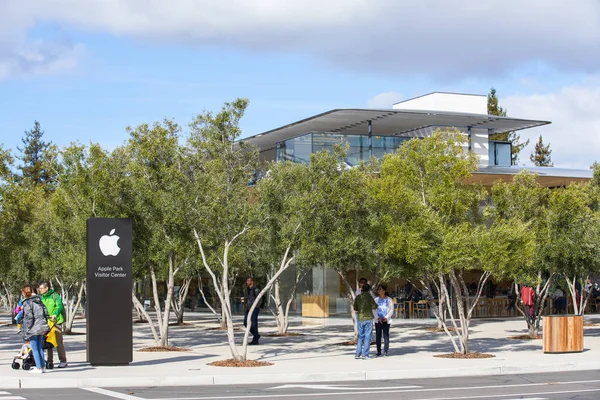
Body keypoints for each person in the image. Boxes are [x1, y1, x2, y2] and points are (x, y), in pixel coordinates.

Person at [38, 281, 68, 368]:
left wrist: (55, 314)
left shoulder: (55, 295)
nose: (40, 290)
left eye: (41, 288)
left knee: (58, 342)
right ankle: (49, 361)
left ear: (46, 288)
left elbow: (60, 306)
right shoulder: (41, 298)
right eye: (39, 289)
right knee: (48, 342)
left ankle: (63, 361)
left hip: (56, 322)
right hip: (46, 323)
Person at [21, 285, 49, 373]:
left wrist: (27, 329)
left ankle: (38, 367)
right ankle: (42, 367)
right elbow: (45, 312)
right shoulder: (39, 300)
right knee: (39, 347)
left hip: (34, 327)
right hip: (41, 326)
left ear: (25, 293)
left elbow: (29, 317)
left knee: (34, 348)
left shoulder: (27, 302)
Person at [353, 283, 377, 360]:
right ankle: (365, 354)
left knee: (360, 336)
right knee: (367, 336)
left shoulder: (358, 297)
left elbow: (355, 308)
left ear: (362, 289)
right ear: (369, 290)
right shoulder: (369, 297)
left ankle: (358, 353)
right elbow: (374, 306)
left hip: (360, 318)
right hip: (368, 318)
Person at [375, 285, 394, 357]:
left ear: (384, 291)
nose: (379, 291)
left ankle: (385, 350)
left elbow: (391, 309)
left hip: (386, 320)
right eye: (378, 289)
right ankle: (378, 351)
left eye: (381, 289)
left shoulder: (389, 299)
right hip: (378, 320)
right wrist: (377, 317)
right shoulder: (376, 299)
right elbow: (374, 310)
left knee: (386, 335)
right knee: (378, 336)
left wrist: (386, 317)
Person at [242, 277, 262, 345]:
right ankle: (256, 335)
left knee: (254, 324)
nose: (247, 282)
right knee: (245, 322)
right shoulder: (247, 289)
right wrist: (244, 300)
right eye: (247, 281)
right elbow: (248, 299)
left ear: (252, 282)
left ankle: (255, 339)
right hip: (248, 309)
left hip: (254, 309)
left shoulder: (256, 289)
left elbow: (259, 299)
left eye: (248, 281)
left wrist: (255, 307)